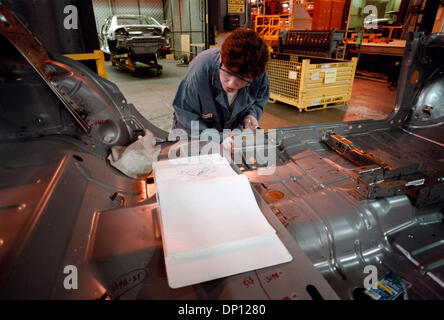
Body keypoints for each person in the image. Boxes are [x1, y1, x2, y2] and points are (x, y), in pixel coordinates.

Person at [171, 28, 269, 148]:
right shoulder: (200, 70)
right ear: (221, 58)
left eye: (241, 80)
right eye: (228, 73)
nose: (231, 84)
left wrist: (252, 114)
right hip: (194, 135)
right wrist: (218, 138)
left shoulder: (257, 73)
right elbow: (185, 116)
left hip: (230, 136)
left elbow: (260, 99)